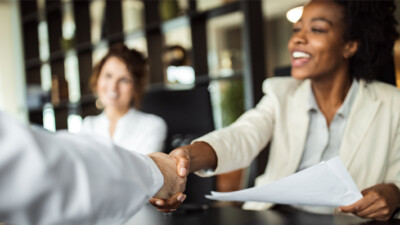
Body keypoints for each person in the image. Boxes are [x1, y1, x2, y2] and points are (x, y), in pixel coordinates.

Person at [151, 0, 400, 221]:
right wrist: (185, 158)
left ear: (350, 46)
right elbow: (241, 136)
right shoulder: (282, 94)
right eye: (297, 29)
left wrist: (394, 193)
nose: (297, 39)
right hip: (277, 217)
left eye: (317, 29)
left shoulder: (392, 103)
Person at [0, 111, 186, 225]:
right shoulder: (88, 123)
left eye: (124, 79)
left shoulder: (151, 124)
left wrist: (157, 172)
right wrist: (157, 170)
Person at [80, 44, 167, 155]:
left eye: (124, 80)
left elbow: (142, 170)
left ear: (136, 87)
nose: (113, 87)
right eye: (108, 75)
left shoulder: (152, 126)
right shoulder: (88, 126)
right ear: (97, 78)